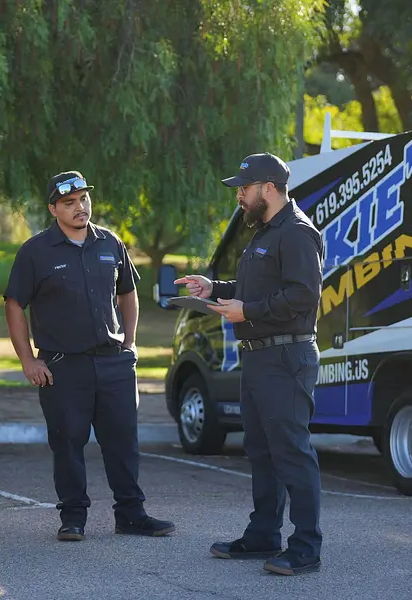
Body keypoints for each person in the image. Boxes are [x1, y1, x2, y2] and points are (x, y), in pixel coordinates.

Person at [4, 171, 175, 542]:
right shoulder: (36, 251)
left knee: (123, 442)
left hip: (114, 362)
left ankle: (131, 514)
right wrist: (28, 360)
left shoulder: (110, 242)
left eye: (83, 199)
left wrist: (130, 343)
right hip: (63, 366)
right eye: (69, 202)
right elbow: (15, 304)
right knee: (68, 443)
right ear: (53, 209)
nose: (80, 207)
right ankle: (73, 517)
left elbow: (127, 293)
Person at [175, 152, 324, 576]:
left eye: (244, 188)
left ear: (269, 188)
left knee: (292, 452)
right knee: (260, 449)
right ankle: (263, 535)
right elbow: (253, 288)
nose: (239, 195)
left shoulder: (297, 232)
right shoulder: (263, 232)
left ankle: (306, 547)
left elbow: (304, 296)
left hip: (285, 356)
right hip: (259, 357)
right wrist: (214, 288)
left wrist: (249, 311)